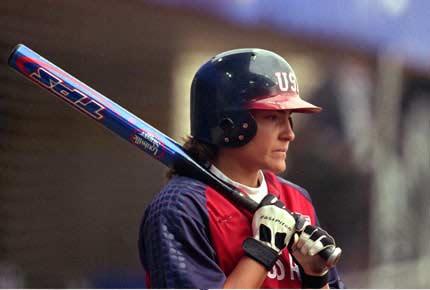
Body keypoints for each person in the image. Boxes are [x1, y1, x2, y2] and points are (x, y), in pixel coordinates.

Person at [139, 48, 344, 289]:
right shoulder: (181, 208)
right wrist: (263, 250)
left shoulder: (296, 199)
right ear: (231, 125)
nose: (289, 134)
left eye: (289, 118)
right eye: (273, 118)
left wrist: (315, 277)